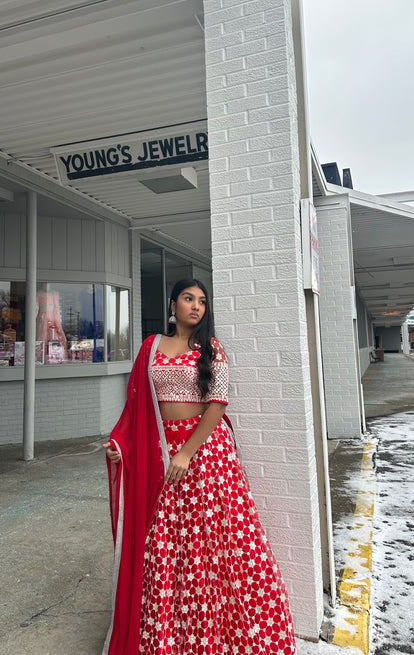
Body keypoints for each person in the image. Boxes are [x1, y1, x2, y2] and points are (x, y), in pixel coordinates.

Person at [103, 279, 296, 655]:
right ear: (172, 304)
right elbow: (136, 406)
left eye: (202, 301)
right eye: (188, 299)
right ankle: (171, 638)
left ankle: (220, 637)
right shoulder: (150, 347)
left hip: (205, 453)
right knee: (166, 546)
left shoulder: (211, 348)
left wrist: (187, 452)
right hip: (160, 450)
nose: (196, 307)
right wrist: (121, 446)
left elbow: (217, 405)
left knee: (213, 544)